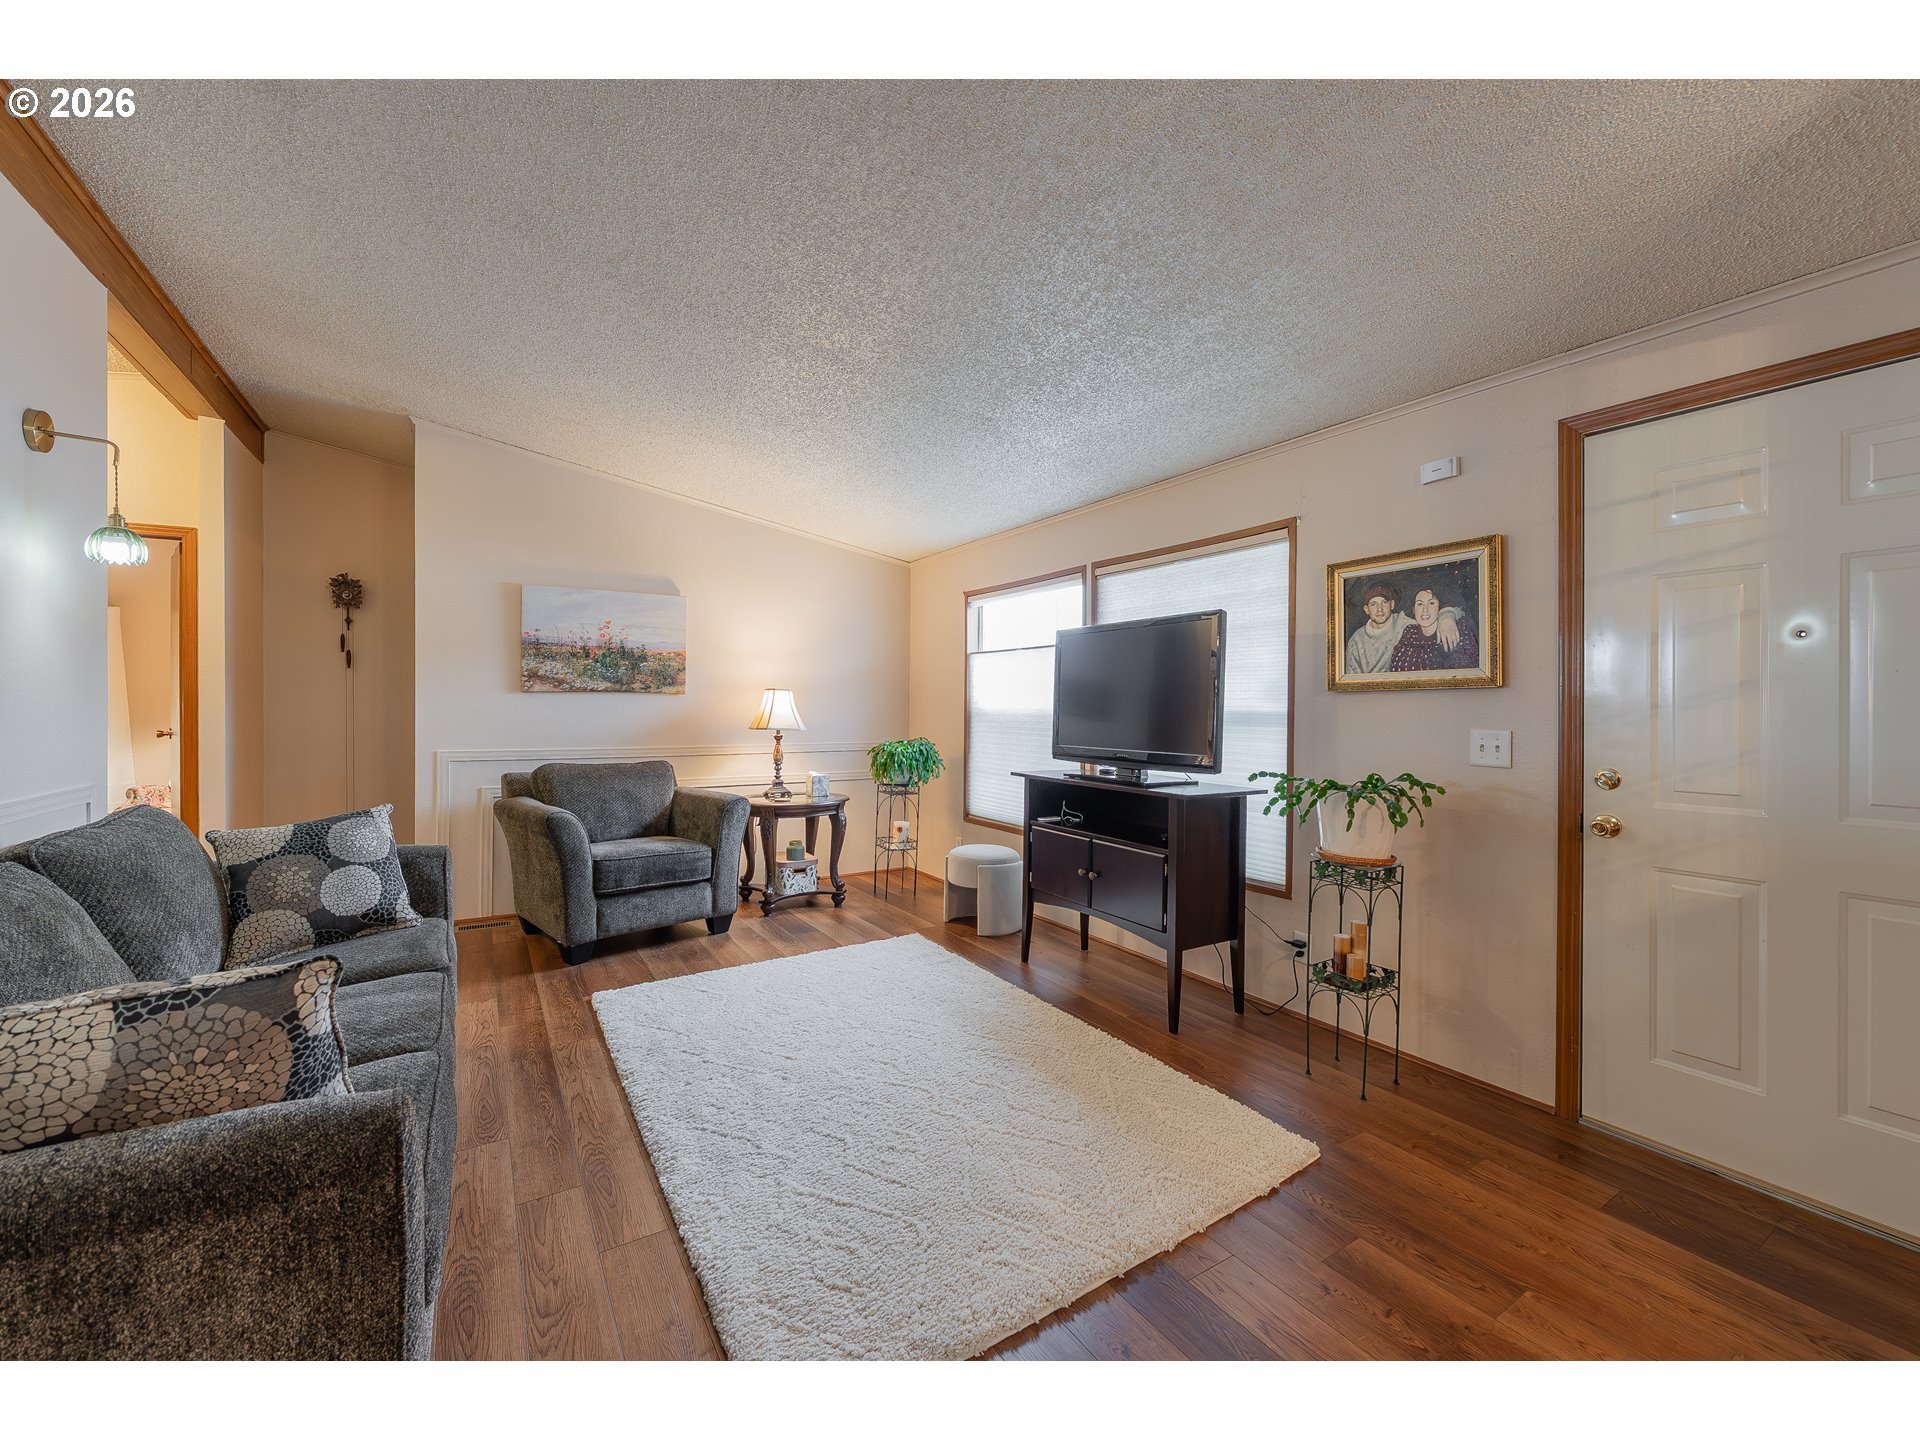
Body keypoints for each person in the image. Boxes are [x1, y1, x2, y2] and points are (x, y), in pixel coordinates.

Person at [1344, 581, 1461, 674]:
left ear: (1392, 604)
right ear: (1366, 609)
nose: (1379, 609)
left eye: (1384, 602)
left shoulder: (1405, 623)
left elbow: (1427, 614)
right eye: (1373, 604)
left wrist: (1447, 616)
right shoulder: (1356, 640)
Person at [1390, 585, 1478, 672]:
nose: (1425, 609)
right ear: (1413, 609)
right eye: (1420, 604)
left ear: (1440, 607)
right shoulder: (1410, 631)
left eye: (1431, 603)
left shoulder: (1456, 628)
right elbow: (1395, 665)